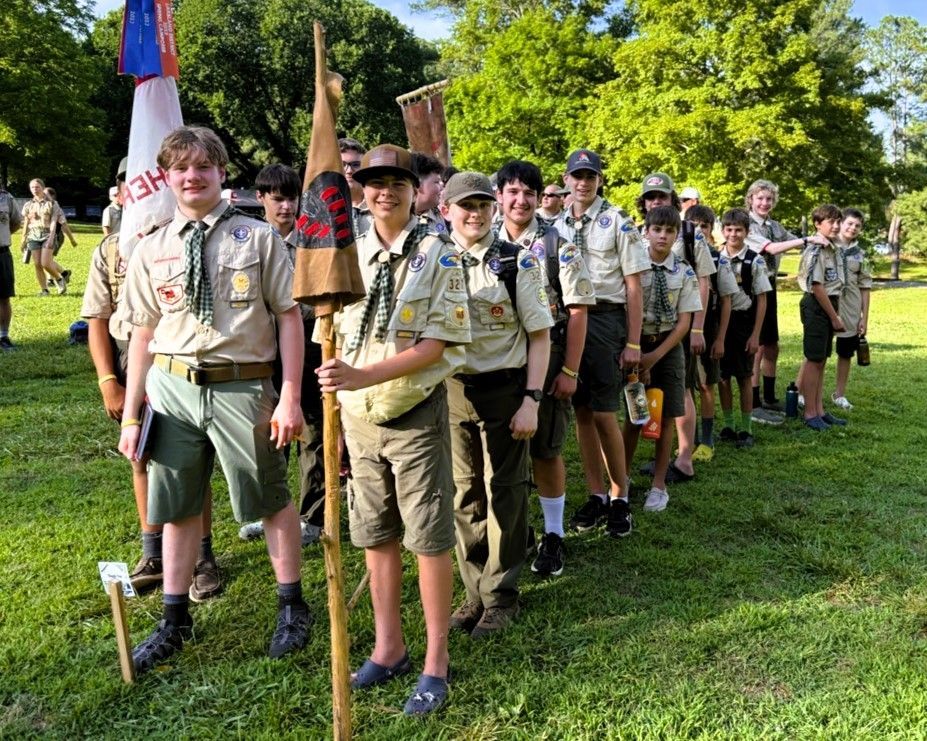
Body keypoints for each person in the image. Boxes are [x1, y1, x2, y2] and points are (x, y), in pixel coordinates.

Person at [117, 126, 310, 674]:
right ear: (169, 176)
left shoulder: (258, 237)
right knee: (175, 505)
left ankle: (292, 605)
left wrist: (289, 393)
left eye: (203, 166)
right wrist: (132, 414)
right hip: (172, 389)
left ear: (222, 173)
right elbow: (143, 336)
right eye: (181, 168)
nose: (192, 176)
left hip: (243, 384)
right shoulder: (152, 246)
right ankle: (175, 618)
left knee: (267, 496)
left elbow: (289, 317)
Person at [316, 144, 470, 715]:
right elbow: (327, 333)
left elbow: (438, 345)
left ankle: (435, 661)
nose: (385, 192)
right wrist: (339, 399)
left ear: (415, 188)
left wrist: (362, 374)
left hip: (413, 411)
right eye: (375, 181)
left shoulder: (439, 254)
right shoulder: (345, 251)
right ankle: (389, 647)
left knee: (427, 538)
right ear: (361, 187)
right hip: (357, 419)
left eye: (397, 182)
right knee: (373, 532)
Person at [81, 231, 221, 599]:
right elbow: (98, 316)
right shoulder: (111, 248)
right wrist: (108, 381)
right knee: (140, 457)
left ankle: (203, 558)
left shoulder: (186, 235)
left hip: (181, 354)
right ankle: (153, 554)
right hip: (132, 358)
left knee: (191, 459)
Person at [443, 171, 552, 637]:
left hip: (505, 389)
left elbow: (541, 336)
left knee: (505, 490)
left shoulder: (516, 262)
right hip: (450, 390)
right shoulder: (432, 261)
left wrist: (531, 400)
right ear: (445, 209)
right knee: (464, 493)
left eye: (484, 205)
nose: (476, 213)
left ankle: (501, 595)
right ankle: (474, 591)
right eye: (466, 205)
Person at [494, 160, 595, 577]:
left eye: (529, 193)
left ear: (540, 199)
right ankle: (514, 534)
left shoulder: (559, 245)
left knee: (546, 448)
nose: (521, 201)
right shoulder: (480, 242)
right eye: (513, 192)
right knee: (501, 452)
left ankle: (553, 535)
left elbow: (578, 311)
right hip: (497, 358)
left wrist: (569, 371)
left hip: (548, 353)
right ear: (499, 195)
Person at [555, 150, 649, 539]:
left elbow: (633, 285)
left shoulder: (616, 221)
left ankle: (620, 496)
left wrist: (633, 341)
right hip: (569, 318)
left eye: (590, 176)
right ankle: (596, 493)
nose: (583, 182)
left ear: (599, 179)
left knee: (606, 412)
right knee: (582, 411)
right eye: (577, 175)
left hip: (606, 318)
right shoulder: (557, 223)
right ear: (566, 179)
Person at [238, 164, 326, 548]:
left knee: (312, 431)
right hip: (260, 343)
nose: (287, 207)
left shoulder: (314, 242)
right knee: (267, 430)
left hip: (308, 341)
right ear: (261, 199)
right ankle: (273, 510)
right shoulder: (248, 241)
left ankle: (313, 515)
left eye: (292, 199)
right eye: (278, 199)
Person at [634, 172, 715, 484]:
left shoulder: (690, 234)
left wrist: (697, 327)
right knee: (647, 388)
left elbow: (703, 280)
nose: (656, 201)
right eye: (651, 197)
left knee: (681, 390)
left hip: (680, 322)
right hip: (644, 326)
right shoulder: (636, 233)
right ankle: (659, 456)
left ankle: (684, 456)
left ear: (674, 199)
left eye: (662, 196)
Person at [623, 205, 700, 512]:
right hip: (634, 345)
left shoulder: (684, 271)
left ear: (676, 235)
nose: (663, 236)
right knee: (634, 413)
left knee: (666, 416)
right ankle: (623, 476)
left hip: (667, 347)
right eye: (657, 230)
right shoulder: (633, 266)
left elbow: (684, 322)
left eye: (670, 231)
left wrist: (655, 357)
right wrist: (637, 351)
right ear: (646, 232)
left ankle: (659, 484)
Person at [744, 179, 812, 424]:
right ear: (750, 199)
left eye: (769, 199)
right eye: (760, 198)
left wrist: (817, 243)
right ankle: (753, 403)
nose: (764, 203)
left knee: (772, 344)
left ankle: (770, 398)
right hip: (751, 286)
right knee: (758, 345)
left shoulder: (774, 225)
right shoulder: (746, 224)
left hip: (770, 285)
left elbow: (791, 242)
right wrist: (807, 240)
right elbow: (771, 249)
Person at [685, 205, 737, 461]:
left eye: (704, 226)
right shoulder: (680, 256)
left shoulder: (718, 260)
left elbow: (726, 301)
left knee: (706, 384)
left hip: (708, 327)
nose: (698, 230)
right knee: (685, 386)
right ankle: (689, 438)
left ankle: (707, 439)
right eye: (693, 225)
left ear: (710, 229)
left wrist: (719, 338)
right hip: (681, 327)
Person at [717, 208, 771, 448]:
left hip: (743, 322)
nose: (733, 234)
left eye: (738, 230)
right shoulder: (715, 256)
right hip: (719, 324)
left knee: (744, 376)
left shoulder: (754, 260)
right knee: (722, 377)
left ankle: (746, 428)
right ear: (723, 231)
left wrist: (756, 334)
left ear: (747, 232)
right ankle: (728, 425)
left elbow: (762, 298)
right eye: (729, 229)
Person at [796, 204, 847, 430]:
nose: (836, 226)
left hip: (829, 304)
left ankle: (820, 410)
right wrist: (834, 317)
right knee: (813, 360)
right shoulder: (815, 250)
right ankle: (809, 413)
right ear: (818, 224)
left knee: (821, 360)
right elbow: (817, 286)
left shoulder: (832, 247)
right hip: (818, 305)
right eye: (830, 222)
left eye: (838, 221)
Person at [832, 208, 871, 410]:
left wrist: (865, 317)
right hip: (829, 304)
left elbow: (865, 287)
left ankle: (839, 395)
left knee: (846, 352)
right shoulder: (828, 246)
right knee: (816, 352)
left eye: (857, 225)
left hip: (851, 308)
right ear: (840, 223)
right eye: (849, 223)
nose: (853, 228)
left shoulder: (861, 254)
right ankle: (803, 391)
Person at [20, 179, 69, 295]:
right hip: (33, 236)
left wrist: (51, 238)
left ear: (42, 187)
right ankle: (44, 290)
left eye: (37, 187)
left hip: (47, 234)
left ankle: (59, 279)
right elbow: (26, 222)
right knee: (37, 264)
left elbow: (53, 222)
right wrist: (23, 238)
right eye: (32, 187)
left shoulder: (52, 203)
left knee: (45, 263)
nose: (35, 190)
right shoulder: (28, 205)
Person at [0, 181, 22, 350]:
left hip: (2, 253)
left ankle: (3, 336)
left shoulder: (6, 198)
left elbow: (15, 222)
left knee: (4, 296)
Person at [340, 137, 372, 236]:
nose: (349, 171)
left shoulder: (380, 205)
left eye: (356, 164)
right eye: (342, 164)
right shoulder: (323, 209)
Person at [411, 152, 448, 234]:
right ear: (418, 185)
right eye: (437, 182)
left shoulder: (437, 214)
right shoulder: (398, 218)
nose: (442, 187)